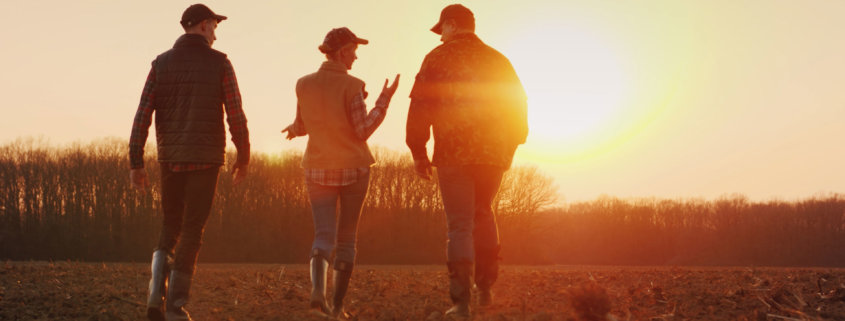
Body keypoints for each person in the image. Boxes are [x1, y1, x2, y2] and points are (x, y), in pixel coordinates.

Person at [128, 4, 250, 321]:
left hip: (170, 158)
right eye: (214, 25)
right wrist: (244, 154)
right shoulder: (220, 63)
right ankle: (175, 307)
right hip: (206, 159)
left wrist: (136, 160)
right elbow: (235, 113)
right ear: (203, 26)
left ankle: (156, 292)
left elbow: (143, 113)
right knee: (193, 230)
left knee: (170, 225)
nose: (216, 31)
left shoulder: (160, 64)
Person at [406, 4, 528, 318]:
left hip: (453, 153)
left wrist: (418, 150)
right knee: (483, 213)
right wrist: (511, 146)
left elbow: (420, 106)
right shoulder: (499, 60)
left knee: (459, 225)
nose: (441, 36)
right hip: (492, 155)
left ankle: (461, 303)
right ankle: (485, 289)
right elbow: (518, 106)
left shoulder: (437, 58)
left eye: (441, 29)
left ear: (451, 24)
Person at [282, 27, 399, 318]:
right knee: (347, 239)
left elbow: (303, 124)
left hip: (317, 168)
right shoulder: (353, 86)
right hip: (353, 169)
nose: (356, 56)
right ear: (342, 51)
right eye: (354, 51)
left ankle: (317, 292)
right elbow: (363, 130)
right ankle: (337, 307)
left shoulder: (303, 84)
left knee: (323, 236)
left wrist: (293, 131)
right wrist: (383, 101)